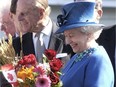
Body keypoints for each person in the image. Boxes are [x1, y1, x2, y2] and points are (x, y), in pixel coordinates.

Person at [56, 2, 114, 87]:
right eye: (66, 36)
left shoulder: (98, 59)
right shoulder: (78, 56)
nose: (67, 41)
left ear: (88, 33)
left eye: (71, 35)